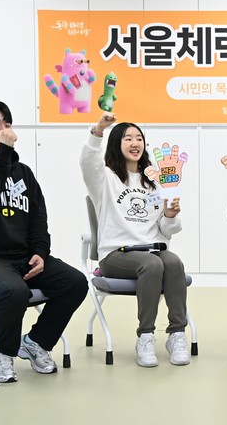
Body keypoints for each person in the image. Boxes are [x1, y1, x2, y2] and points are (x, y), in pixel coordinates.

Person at [0, 100, 88, 383]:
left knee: (74, 282)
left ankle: (35, 343)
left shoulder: (22, 172)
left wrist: (40, 253)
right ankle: (3, 351)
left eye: (7, 124)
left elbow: (37, 217)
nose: (3, 131)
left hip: (20, 259)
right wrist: (4, 153)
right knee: (13, 291)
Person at [81, 112, 189, 368]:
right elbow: (88, 163)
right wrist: (98, 130)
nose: (135, 143)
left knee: (173, 262)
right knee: (152, 265)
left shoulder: (154, 181)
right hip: (116, 255)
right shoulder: (105, 178)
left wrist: (170, 216)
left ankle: (177, 334)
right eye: (128, 138)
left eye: (139, 138)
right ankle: (146, 336)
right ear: (116, 143)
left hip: (153, 250)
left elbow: (167, 229)